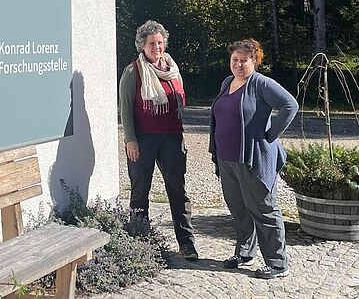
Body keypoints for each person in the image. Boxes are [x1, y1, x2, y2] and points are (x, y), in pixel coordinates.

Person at [209, 38, 298, 279]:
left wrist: (270, 135)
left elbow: (290, 104)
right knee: (239, 209)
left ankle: (278, 263)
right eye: (234, 60)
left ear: (254, 61)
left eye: (244, 60)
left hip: (252, 159)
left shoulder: (261, 84)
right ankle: (245, 252)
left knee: (264, 209)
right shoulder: (228, 82)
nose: (238, 64)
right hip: (227, 158)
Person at [119, 20, 198, 259]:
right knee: (140, 190)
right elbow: (125, 108)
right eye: (152, 43)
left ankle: (186, 242)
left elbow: (180, 103)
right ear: (142, 45)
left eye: (160, 42)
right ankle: (139, 242)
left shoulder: (172, 68)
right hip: (142, 140)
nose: (157, 47)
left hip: (172, 138)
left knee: (177, 190)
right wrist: (130, 139)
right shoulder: (133, 71)